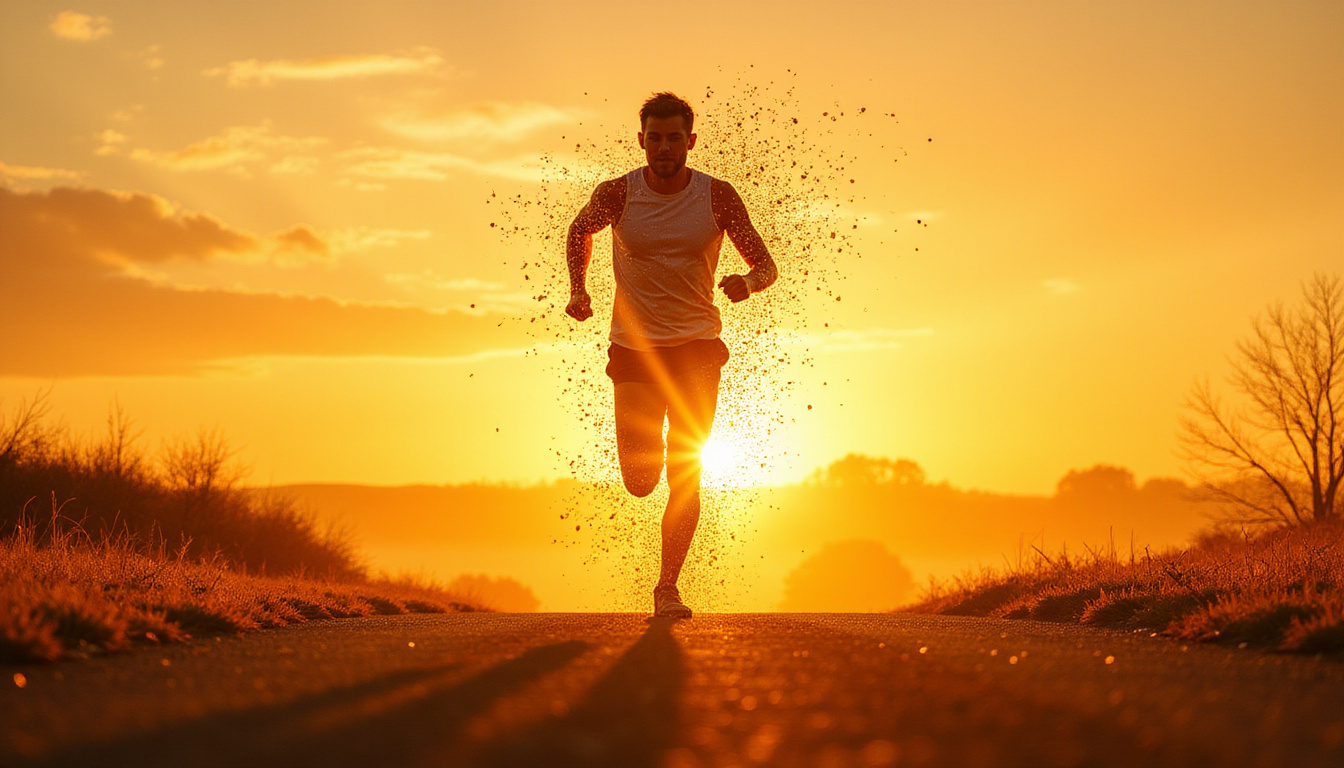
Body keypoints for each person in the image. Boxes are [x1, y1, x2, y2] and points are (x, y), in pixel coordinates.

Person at [564, 92, 778, 618]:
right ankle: (650, 455)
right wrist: (579, 290)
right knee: (641, 483)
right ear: (641, 140)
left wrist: (745, 284)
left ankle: (667, 588)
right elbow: (578, 230)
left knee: (687, 472)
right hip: (635, 349)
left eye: (674, 138)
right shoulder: (618, 194)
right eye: (654, 138)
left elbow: (766, 266)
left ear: (690, 141)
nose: (663, 148)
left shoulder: (717, 196)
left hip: (696, 348)